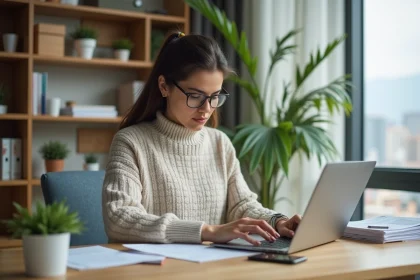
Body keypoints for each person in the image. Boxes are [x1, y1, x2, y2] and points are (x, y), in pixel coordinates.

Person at [102, 31, 301, 246]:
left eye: (215, 97)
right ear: (163, 86)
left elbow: (241, 205)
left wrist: (277, 221)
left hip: (211, 268)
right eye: (195, 96)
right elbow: (119, 218)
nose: (206, 109)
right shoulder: (130, 142)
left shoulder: (220, 143)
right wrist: (206, 231)